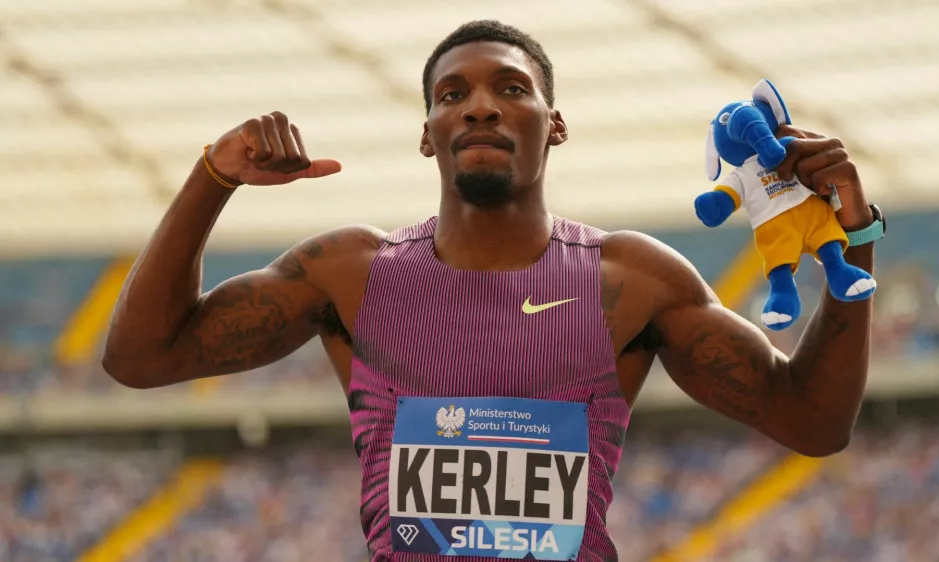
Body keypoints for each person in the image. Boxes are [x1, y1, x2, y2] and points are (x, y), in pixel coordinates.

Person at [102, 20, 881, 562]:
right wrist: (214, 179)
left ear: (555, 123)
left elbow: (813, 422)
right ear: (426, 132)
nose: (478, 104)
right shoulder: (349, 272)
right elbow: (140, 358)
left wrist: (851, 250)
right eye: (451, 95)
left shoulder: (633, 281)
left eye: (511, 88)